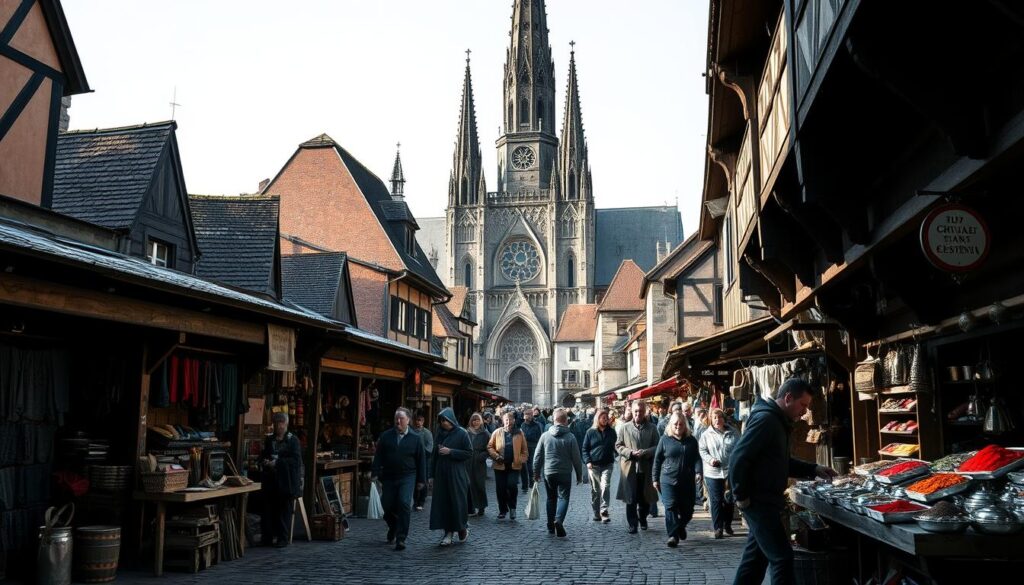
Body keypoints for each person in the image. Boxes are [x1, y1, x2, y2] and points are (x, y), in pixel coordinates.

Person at [730, 379, 837, 585]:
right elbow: (738, 458)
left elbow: (781, 462)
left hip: (766, 500)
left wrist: (813, 469)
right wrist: (740, 496)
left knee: (755, 560)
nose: (804, 412)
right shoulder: (767, 421)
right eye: (803, 405)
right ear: (788, 398)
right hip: (759, 502)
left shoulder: (778, 421)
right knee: (782, 558)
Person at [370, 408, 426, 551]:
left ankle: (401, 538)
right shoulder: (386, 436)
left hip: (408, 476)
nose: (398, 421)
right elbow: (379, 456)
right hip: (388, 476)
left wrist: (421, 480)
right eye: (396, 418)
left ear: (408, 420)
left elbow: (421, 460)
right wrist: (375, 472)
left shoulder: (415, 438)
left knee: (404, 503)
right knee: (386, 505)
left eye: (401, 418)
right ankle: (393, 526)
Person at [532, 407, 584, 537]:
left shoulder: (545, 436)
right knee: (564, 498)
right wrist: (579, 475)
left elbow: (537, 456)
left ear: (553, 420)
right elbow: (576, 458)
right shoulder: (570, 437)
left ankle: (550, 526)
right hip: (565, 472)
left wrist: (535, 472)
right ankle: (559, 520)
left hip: (549, 472)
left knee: (551, 498)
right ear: (566, 421)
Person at [653, 412, 702, 547]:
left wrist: (698, 472)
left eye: (681, 424)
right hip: (668, 479)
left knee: (688, 510)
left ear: (685, 425)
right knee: (670, 507)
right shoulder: (664, 439)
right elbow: (657, 460)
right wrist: (655, 478)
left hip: (687, 480)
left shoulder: (691, 440)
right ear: (671, 425)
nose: (678, 427)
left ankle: (680, 526)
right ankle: (673, 536)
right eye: (675, 424)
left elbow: (697, 458)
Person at [615, 401, 660, 534]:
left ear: (644, 411)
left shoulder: (652, 428)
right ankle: (632, 524)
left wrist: (646, 452)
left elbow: (658, 446)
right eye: (635, 411)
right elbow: (618, 446)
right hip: (630, 468)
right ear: (632, 411)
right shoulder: (625, 427)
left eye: (640, 411)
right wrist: (629, 453)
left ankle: (643, 518)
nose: (638, 414)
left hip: (646, 468)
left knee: (645, 498)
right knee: (631, 498)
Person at [430, 408, 473, 546]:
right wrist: (431, 475)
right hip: (441, 473)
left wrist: (451, 452)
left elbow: (468, 453)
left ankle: (461, 527)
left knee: (457, 502)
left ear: (451, 420)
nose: (444, 423)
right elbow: (434, 456)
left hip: (457, 474)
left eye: (446, 420)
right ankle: (448, 533)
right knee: (444, 503)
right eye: (441, 421)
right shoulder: (439, 434)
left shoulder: (462, 433)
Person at [260, 412, 303, 547]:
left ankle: (282, 538)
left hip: (287, 481)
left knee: (284, 510)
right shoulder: (270, 440)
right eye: (276, 423)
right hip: (271, 480)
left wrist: (278, 463)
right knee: (268, 510)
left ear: (286, 424)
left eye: (281, 423)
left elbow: (296, 461)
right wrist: (265, 461)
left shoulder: (292, 440)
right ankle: (267, 537)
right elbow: (264, 455)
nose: (278, 426)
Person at [700, 407, 738, 538]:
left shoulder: (733, 432)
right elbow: (702, 450)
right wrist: (710, 460)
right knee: (716, 500)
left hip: (729, 471)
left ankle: (727, 524)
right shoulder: (706, 435)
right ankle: (718, 527)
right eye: (715, 418)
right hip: (713, 472)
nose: (717, 420)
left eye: (719, 417)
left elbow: (740, 448)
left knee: (729, 499)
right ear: (711, 419)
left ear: (724, 419)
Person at [487, 411, 529, 520]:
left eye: (510, 419)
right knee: (500, 489)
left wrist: (521, 459)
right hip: (500, 465)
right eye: (506, 419)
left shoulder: (519, 433)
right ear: (502, 421)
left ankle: (512, 507)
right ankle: (502, 510)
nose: (508, 422)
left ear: (514, 420)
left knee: (512, 485)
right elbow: (490, 447)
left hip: (514, 466)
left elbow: (525, 450)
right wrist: (496, 456)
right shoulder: (497, 432)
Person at [582, 407, 616, 523]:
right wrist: (588, 461)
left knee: (605, 486)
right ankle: (596, 512)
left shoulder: (611, 431)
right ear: (598, 419)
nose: (605, 420)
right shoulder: (590, 432)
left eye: (607, 418)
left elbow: (616, 445)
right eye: (603, 418)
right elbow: (585, 449)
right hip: (594, 466)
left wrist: (614, 455)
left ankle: (604, 510)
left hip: (607, 464)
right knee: (595, 490)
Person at [465, 413, 489, 516]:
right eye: (474, 420)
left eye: (477, 420)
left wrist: (483, 455)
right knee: (469, 485)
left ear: (481, 421)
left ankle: (481, 506)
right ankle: (471, 508)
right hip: (468, 461)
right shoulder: (466, 433)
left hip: (479, 462)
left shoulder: (485, 434)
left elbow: (490, 448)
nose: (476, 422)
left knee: (479, 485)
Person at [410, 411, 433, 511]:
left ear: (423, 421)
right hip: (413, 460)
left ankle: (421, 501)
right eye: (417, 420)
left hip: (424, 460)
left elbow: (430, 447)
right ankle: (415, 500)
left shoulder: (427, 433)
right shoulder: (411, 431)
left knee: (423, 479)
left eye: (420, 420)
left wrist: (422, 453)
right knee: (414, 480)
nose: (418, 422)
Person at [520, 407, 544, 490]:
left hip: (533, 447)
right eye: (525, 415)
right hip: (523, 447)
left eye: (529, 415)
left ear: (532, 416)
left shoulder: (537, 425)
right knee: (523, 466)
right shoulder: (522, 425)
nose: (527, 417)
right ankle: (524, 485)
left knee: (531, 466)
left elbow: (539, 437)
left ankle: (531, 483)